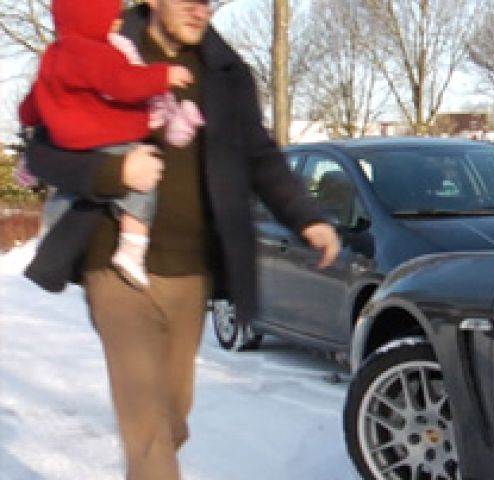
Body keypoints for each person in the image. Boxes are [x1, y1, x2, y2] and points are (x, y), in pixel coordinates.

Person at [23, 0, 340, 478]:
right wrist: (113, 171)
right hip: (115, 264)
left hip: (191, 272)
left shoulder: (228, 73)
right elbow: (42, 154)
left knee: (171, 417)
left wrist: (306, 217)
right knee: (146, 423)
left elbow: (260, 156)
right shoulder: (97, 47)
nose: (201, 8)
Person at [19, 0, 202, 289]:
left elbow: (32, 104)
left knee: (66, 195)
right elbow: (122, 82)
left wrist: (28, 116)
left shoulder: (53, 55)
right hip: (105, 135)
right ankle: (133, 246)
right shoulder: (96, 52)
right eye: (112, 18)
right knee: (143, 181)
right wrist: (163, 76)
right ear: (89, 21)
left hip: (67, 141)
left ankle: (50, 243)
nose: (118, 23)